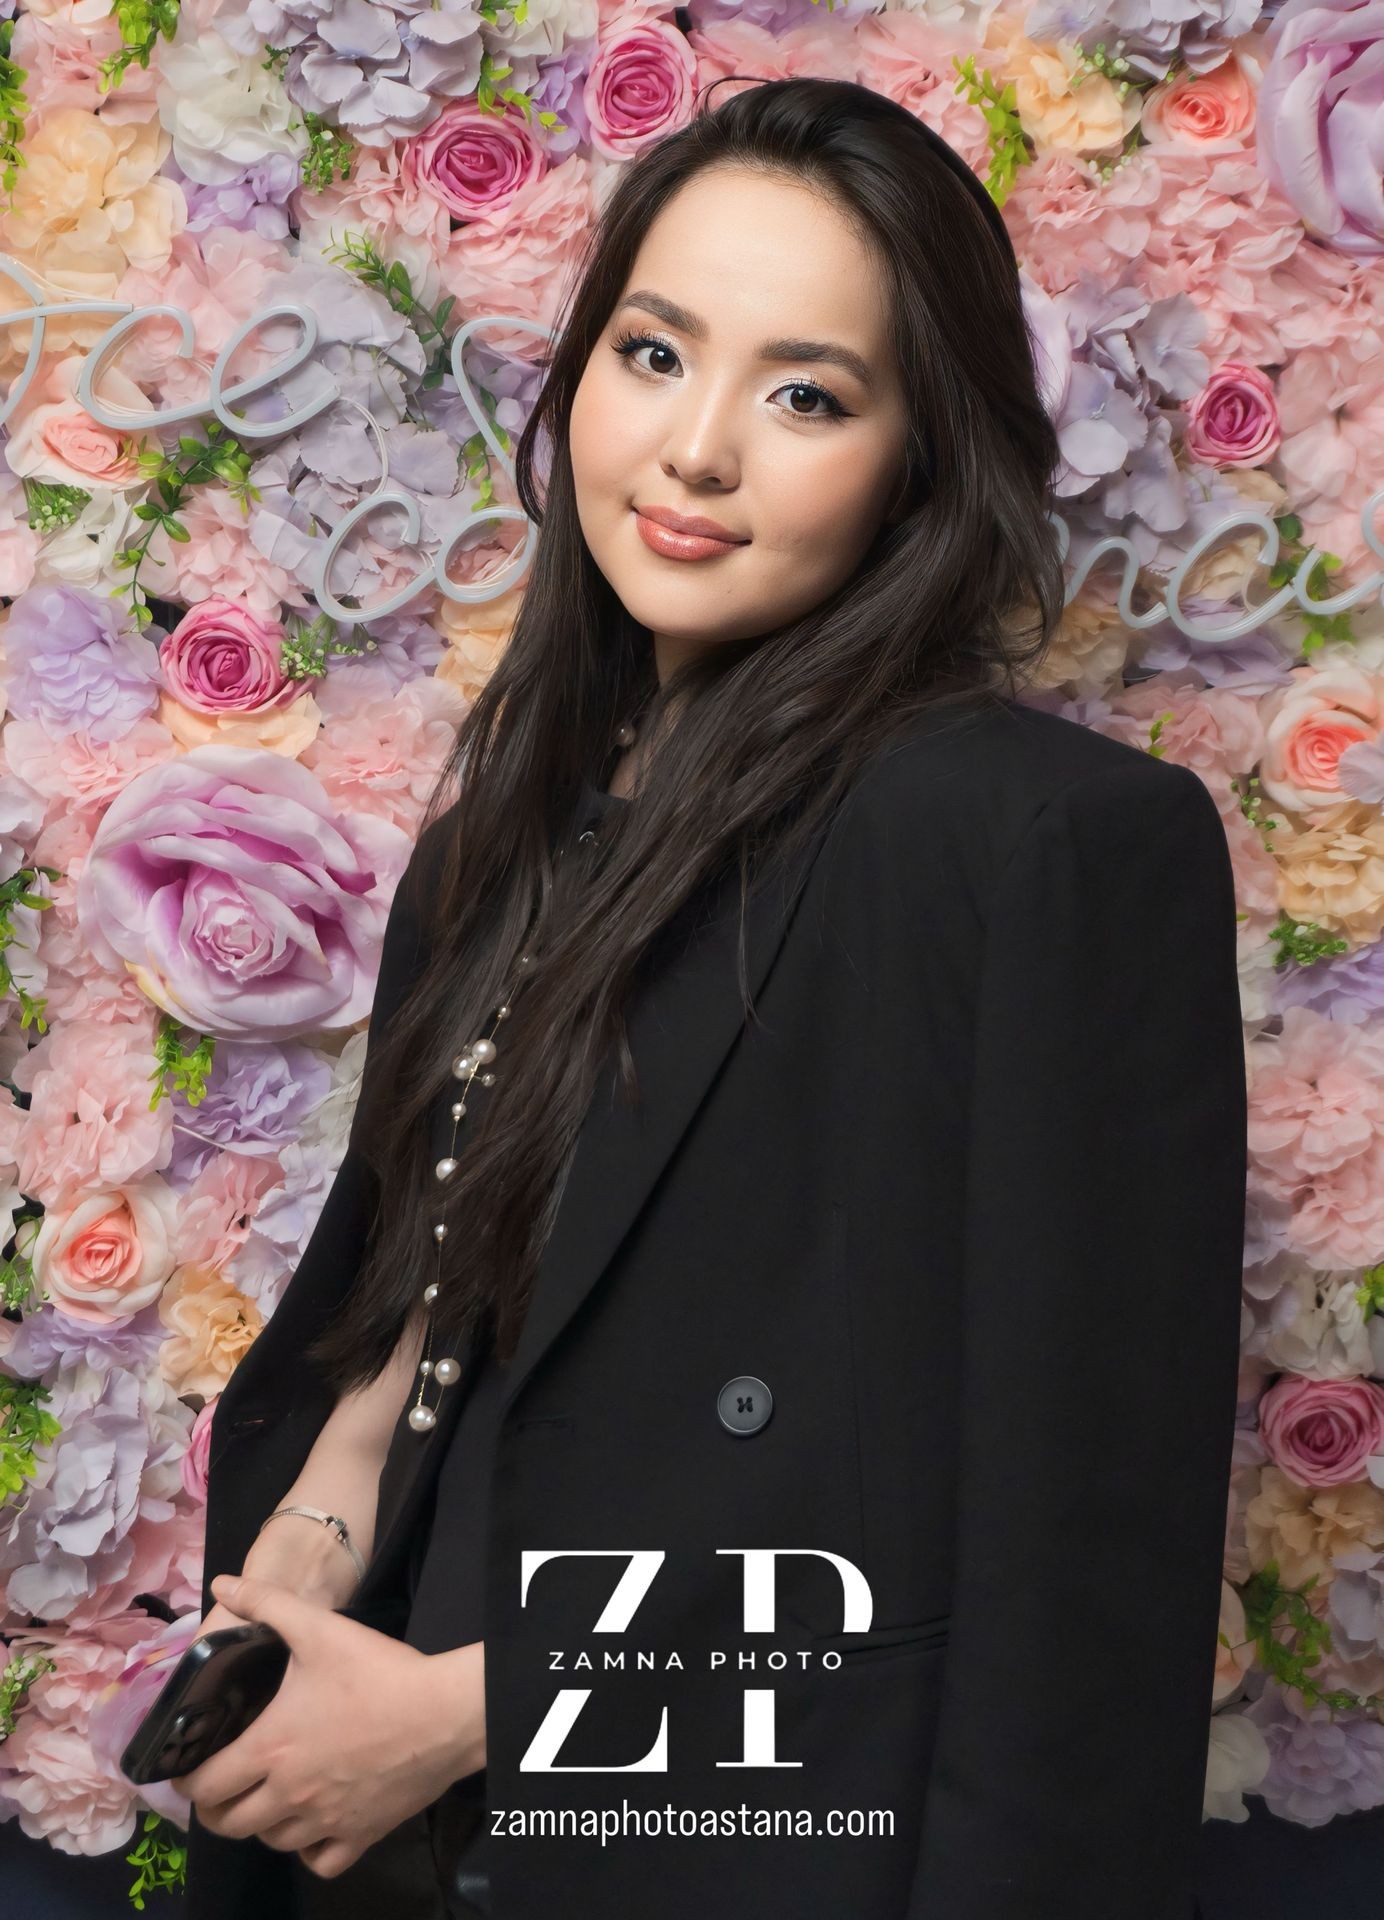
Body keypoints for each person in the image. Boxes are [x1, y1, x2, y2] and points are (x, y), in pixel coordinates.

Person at [177, 76, 1247, 1920]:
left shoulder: (1042, 849)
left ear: (926, 459)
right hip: (400, 1842)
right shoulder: (498, 839)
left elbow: (1055, 1572)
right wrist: (312, 1556)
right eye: (656, 353)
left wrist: (475, 1712)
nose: (695, 452)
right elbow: (442, 1308)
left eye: (808, 394)